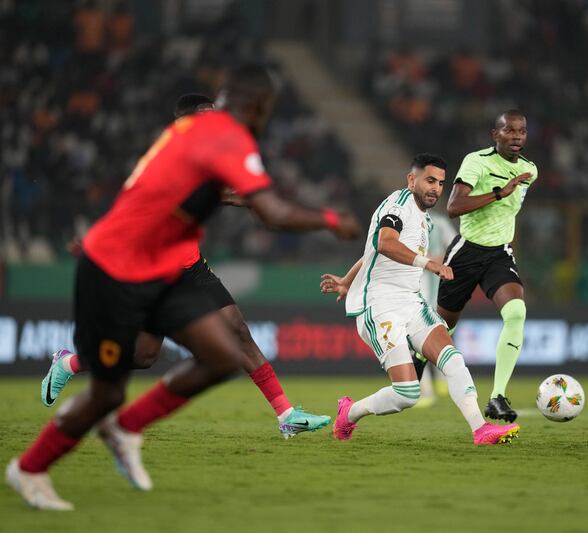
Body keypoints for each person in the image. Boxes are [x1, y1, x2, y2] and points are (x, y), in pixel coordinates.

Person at [6, 64, 360, 511]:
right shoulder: (220, 137)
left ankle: (132, 426)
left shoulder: (184, 141)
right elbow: (272, 212)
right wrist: (331, 221)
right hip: (117, 269)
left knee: (222, 353)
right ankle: (34, 464)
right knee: (111, 389)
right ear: (259, 106)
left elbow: (199, 195)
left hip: (167, 269)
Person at [41, 94, 331, 440]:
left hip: (191, 268)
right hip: (157, 272)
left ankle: (287, 415)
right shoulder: (165, 157)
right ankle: (70, 363)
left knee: (238, 331)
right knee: (144, 355)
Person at [320, 153, 520, 445]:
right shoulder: (397, 206)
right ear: (411, 180)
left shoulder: (425, 220)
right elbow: (384, 243)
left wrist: (347, 280)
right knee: (407, 394)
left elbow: (370, 253)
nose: (436, 188)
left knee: (453, 360)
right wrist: (429, 263)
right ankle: (349, 412)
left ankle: (481, 429)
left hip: (412, 303)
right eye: (429, 180)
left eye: (440, 183)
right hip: (379, 306)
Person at [419, 110, 538, 423]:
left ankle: (497, 396)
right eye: (509, 131)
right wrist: (500, 192)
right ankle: (414, 370)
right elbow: (454, 207)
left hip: (499, 254)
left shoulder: (529, 170)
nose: (516, 137)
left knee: (516, 312)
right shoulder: (477, 161)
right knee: (442, 328)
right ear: (494, 135)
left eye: (522, 131)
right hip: (466, 253)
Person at [415, 210, 457, 407]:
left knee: (427, 340)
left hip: (436, 289)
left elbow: (455, 247)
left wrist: (439, 260)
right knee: (422, 341)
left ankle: (433, 387)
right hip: (414, 289)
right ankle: (432, 386)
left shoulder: (439, 223)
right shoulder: (408, 221)